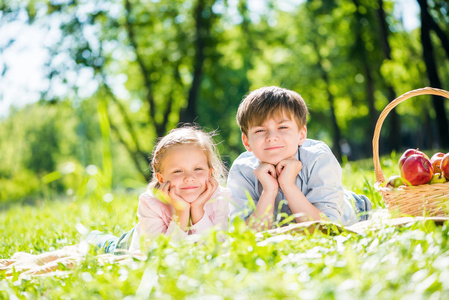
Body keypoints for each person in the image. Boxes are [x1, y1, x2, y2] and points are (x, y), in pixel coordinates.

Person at [227, 86, 371, 230]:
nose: (271, 137)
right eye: (260, 130)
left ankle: (357, 202)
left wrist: (288, 185)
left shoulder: (318, 159)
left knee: (348, 205)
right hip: (286, 224)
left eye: (282, 127)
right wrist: (268, 191)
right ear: (246, 142)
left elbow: (326, 229)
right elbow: (247, 236)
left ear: (301, 134)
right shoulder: (241, 171)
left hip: (343, 212)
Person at [91, 126, 231, 254]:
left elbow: (218, 249)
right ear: (161, 178)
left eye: (198, 169)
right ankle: (94, 237)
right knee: (111, 246)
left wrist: (198, 210)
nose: (189, 177)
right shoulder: (150, 203)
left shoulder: (220, 198)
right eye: (177, 171)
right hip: (135, 243)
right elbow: (161, 256)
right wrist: (181, 212)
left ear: (209, 172)